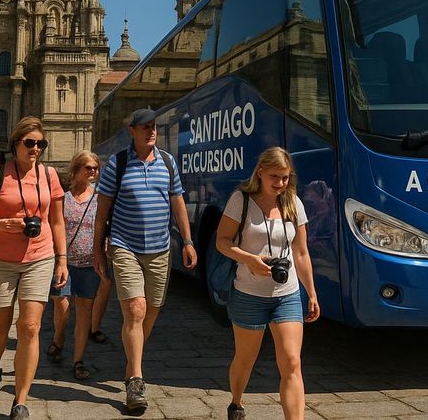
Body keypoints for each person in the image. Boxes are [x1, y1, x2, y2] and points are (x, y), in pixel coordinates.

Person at [93, 108, 197, 412]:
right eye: (145, 127)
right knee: (136, 309)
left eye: (153, 126)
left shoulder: (168, 162)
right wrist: (98, 249)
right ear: (132, 131)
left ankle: (130, 363)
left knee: (151, 310)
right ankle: (136, 379)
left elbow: (178, 202)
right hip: (125, 247)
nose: (151, 131)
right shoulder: (118, 163)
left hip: (160, 249)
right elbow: (102, 214)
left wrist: (188, 241)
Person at [215, 147, 320, 420]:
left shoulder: (293, 203)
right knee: (245, 360)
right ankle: (236, 402)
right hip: (249, 293)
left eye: (286, 177)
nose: (281, 183)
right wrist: (250, 260)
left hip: (287, 293)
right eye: (275, 176)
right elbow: (222, 242)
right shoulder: (241, 200)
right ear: (260, 172)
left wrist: (311, 292)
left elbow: (300, 252)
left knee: (292, 363)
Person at [0, 116, 68, 420]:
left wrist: (62, 259)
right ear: (16, 144)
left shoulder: (49, 175)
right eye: (30, 143)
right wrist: (0, 224)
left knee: (30, 327)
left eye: (41, 144)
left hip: (39, 258)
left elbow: (56, 220)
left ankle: (20, 400)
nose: (36, 148)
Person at [47, 150, 110, 380]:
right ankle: (58, 338)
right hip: (64, 263)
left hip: (89, 264)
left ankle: (78, 360)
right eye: (88, 167)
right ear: (77, 169)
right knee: (62, 309)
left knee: (84, 312)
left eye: (95, 167)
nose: (92, 171)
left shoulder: (100, 198)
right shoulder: (63, 199)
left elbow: (106, 226)